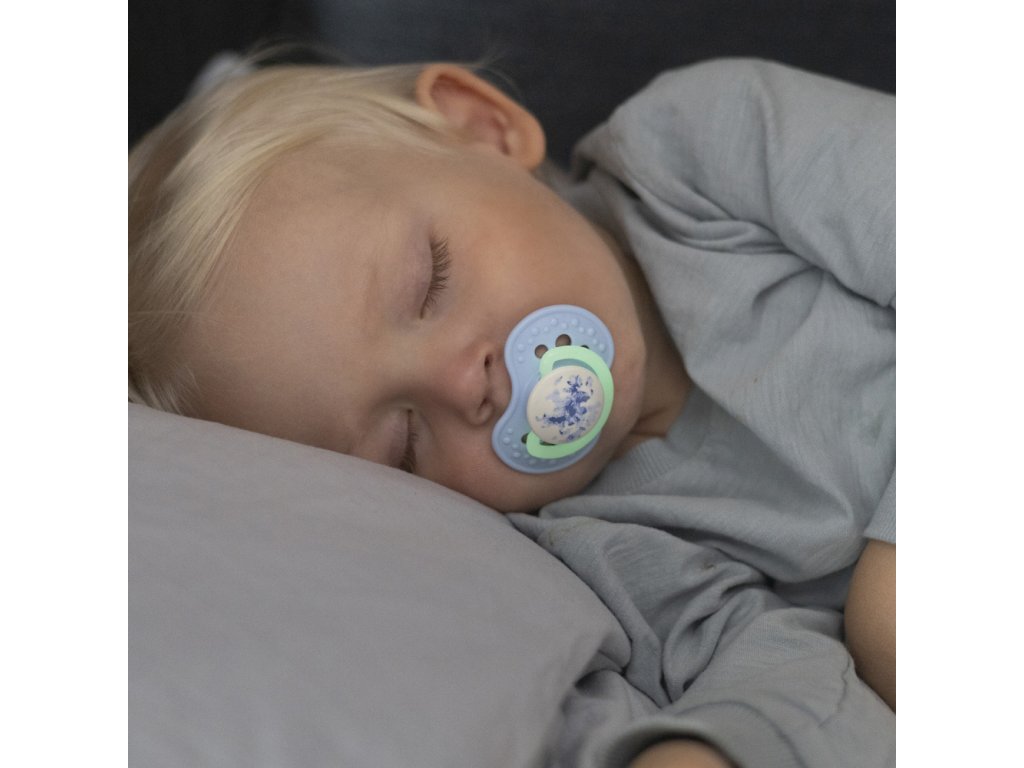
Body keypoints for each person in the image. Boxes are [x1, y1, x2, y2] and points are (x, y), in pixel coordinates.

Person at [129, 57, 894, 767]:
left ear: (483, 128)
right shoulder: (589, 543)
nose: (463, 383)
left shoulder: (701, 152)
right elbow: (784, 673)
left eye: (431, 281)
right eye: (404, 441)